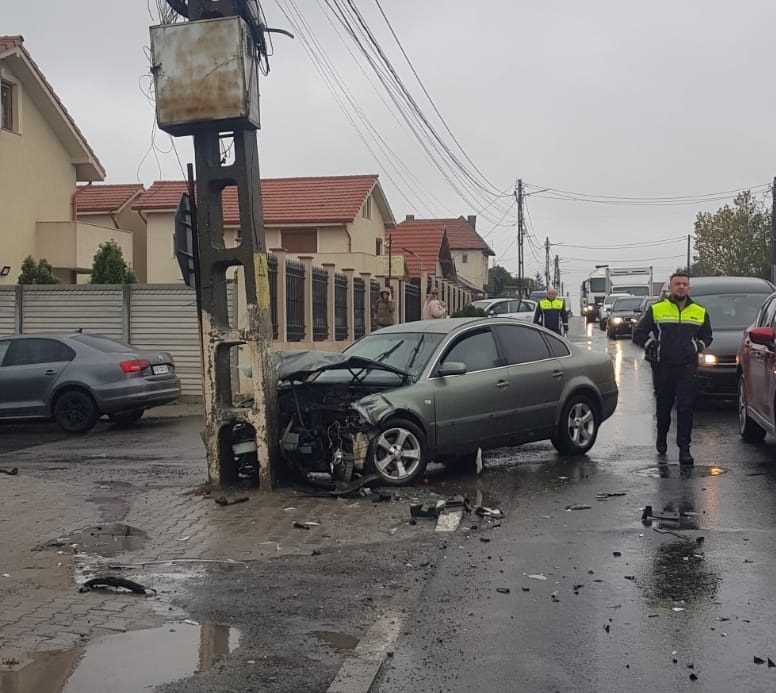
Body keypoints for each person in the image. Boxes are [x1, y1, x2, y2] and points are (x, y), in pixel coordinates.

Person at [633, 272, 712, 464]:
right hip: (663, 367)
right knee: (664, 407)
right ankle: (661, 438)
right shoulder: (657, 309)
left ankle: (684, 449)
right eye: (677, 284)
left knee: (685, 408)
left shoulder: (699, 311)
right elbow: (639, 334)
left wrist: (696, 347)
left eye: (685, 284)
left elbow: (707, 337)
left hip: (687, 367)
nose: (681, 287)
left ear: (689, 288)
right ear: (670, 287)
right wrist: (653, 345)